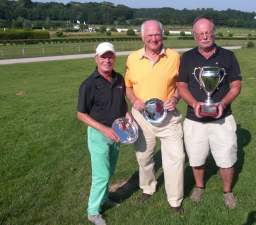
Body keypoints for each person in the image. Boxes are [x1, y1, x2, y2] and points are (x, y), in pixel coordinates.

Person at [176, 17, 242, 209]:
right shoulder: (187, 58)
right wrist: (194, 103)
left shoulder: (228, 56)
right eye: (200, 33)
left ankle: (227, 192)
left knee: (227, 158)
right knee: (196, 158)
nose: (204, 36)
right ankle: (199, 186)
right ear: (195, 36)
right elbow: (181, 85)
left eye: (207, 32)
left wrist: (223, 102)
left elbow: (236, 86)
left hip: (223, 119)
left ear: (213, 33)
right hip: (194, 120)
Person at [124, 20, 185, 213]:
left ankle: (175, 200)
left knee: (176, 158)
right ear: (142, 37)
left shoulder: (175, 57)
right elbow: (128, 86)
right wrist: (134, 100)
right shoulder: (132, 58)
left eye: (157, 34)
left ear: (162, 35)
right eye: (149, 35)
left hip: (168, 118)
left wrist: (175, 99)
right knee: (144, 157)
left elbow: (183, 86)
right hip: (142, 118)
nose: (153, 38)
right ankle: (148, 188)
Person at [77, 42, 131, 225]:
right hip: (99, 135)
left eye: (110, 56)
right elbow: (81, 114)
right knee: (101, 175)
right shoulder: (88, 84)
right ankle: (93, 211)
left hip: (117, 133)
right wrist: (104, 129)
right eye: (103, 56)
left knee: (110, 171)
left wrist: (128, 116)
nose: (107, 60)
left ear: (114, 57)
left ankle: (105, 198)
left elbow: (122, 104)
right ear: (96, 58)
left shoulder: (119, 79)